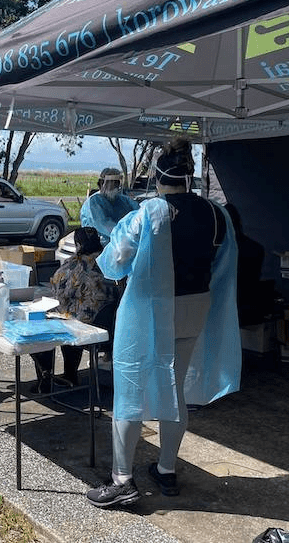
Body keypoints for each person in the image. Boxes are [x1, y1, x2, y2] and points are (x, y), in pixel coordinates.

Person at [86, 136, 241, 508]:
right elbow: (223, 267)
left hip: (146, 312)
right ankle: (166, 468)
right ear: (189, 177)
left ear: (157, 177)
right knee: (176, 390)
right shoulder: (217, 213)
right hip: (194, 309)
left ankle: (122, 480)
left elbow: (113, 263)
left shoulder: (146, 213)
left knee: (129, 393)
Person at [30, 227, 120, 391]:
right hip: (113, 333)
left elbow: (59, 295)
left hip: (87, 332)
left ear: (77, 244)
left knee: (46, 321)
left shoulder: (73, 266)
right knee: (75, 314)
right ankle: (69, 375)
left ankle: (45, 379)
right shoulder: (112, 262)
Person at [80, 167, 139, 246]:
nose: (115, 186)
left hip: (121, 245)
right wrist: (129, 234)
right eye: (111, 182)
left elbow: (139, 212)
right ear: (101, 183)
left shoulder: (122, 199)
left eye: (117, 183)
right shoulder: (94, 202)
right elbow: (105, 225)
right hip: (99, 248)